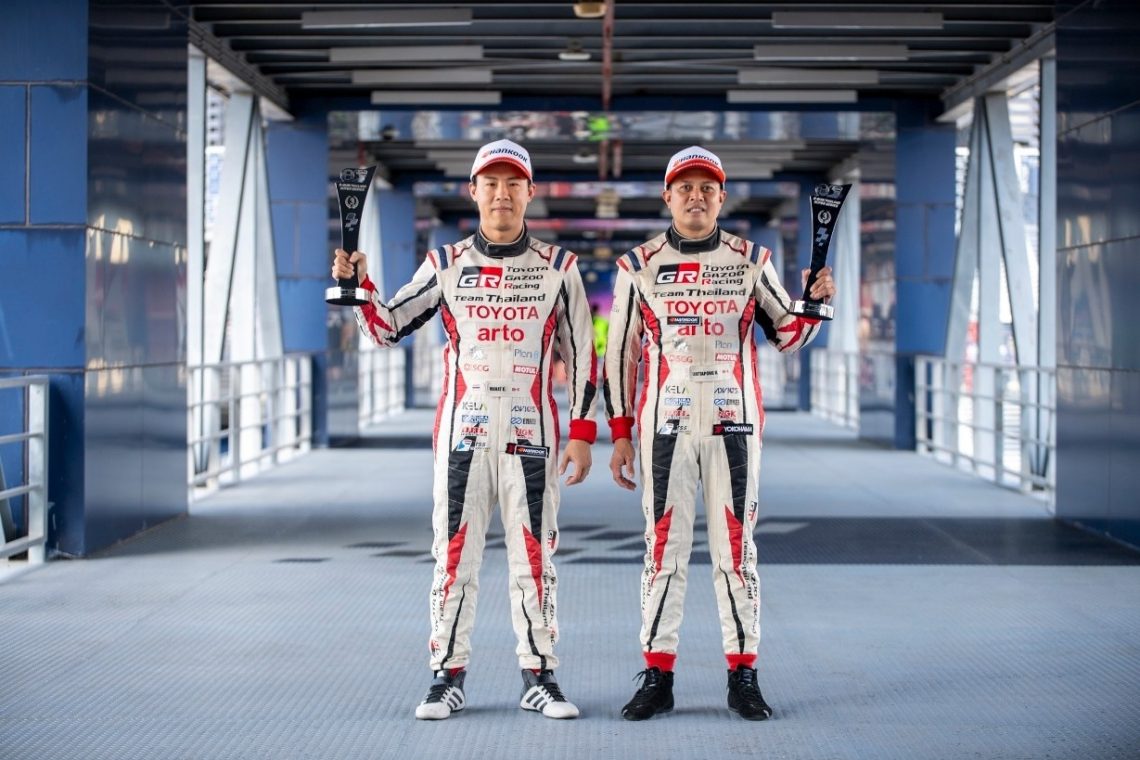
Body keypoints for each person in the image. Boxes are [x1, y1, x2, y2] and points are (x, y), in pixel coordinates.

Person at [331, 139, 598, 721]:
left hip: (534, 435)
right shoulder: (445, 264)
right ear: (473, 191)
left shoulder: (560, 267)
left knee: (535, 558)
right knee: (453, 558)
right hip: (462, 436)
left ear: (530, 192)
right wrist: (360, 288)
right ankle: (446, 677)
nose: (502, 194)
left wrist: (582, 431)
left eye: (513, 183)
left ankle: (540, 677)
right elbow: (387, 326)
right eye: (491, 183)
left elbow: (582, 354)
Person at [602, 146, 836, 721]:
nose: (696, 196)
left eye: (707, 188)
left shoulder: (752, 260)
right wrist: (620, 431)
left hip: (735, 426)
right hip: (664, 430)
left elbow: (787, 335)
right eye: (685, 187)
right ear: (668, 196)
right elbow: (620, 355)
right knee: (663, 550)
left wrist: (815, 304)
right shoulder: (638, 265)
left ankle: (743, 675)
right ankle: (658, 676)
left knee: (737, 551)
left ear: (721, 197)